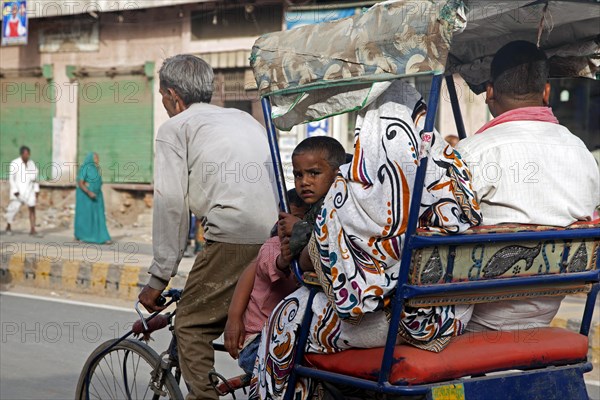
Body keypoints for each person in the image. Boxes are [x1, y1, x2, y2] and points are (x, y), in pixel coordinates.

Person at [251, 80, 482, 399]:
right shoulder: (445, 173)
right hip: (449, 316)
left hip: (389, 321)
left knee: (286, 316)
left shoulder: (354, 193)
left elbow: (310, 268)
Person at [137, 54, 278, 400]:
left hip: (233, 237)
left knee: (190, 324)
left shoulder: (175, 128)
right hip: (275, 238)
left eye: (161, 97)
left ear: (172, 95)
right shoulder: (243, 119)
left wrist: (158, 278)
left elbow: (171, 206)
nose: (164, 104)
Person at [455, 41, 600, 332]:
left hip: (475, 318)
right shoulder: (581, 152)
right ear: (546, 92)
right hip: (547, 309)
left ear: (490, 92)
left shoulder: (470, 153)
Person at [224, 189, 308, 375]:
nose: (290, 229)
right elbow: (273, 264)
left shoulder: (307, 250)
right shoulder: (272, 247)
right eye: (284, 221)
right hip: (257, 341)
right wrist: (284, 260)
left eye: (300, 223)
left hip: (283, 337)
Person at [74, 152, 111, 244]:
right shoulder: (85, 168)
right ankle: (82, 236)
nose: (97, 160)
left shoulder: (96, 169)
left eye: (97, 158)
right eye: (95, 158)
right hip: (86, 197)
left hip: (97, 196)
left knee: (99, 216)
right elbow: (80, 182)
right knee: (85, 217)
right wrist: (89, 192)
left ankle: (103, 237)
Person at [5, 146, 41, 237]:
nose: (27, 156)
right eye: (25, 154)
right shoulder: (15, 163)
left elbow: (35, 179)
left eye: (28, 154)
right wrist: (15, 190)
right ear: (21, 154)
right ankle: (8, 226)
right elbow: (11, 179)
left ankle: (33, 229)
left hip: (30, 191)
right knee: (13, 209)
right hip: (18, 191)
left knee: (32, 208)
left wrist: (37, 191)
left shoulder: (31, 164)